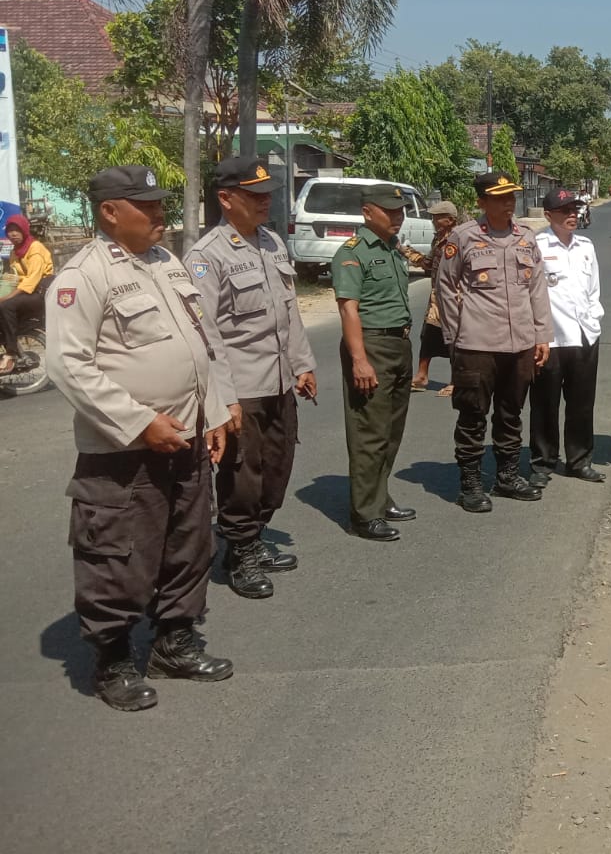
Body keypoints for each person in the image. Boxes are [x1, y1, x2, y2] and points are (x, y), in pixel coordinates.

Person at [45, 165, 235, 711]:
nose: (160, 214)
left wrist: (215, 413)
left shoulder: (166, 263)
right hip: (126, 453)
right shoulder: (84, 276)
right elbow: (68, 365)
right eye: (146, 206)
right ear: (110, 211)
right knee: (118, 557)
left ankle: (174, 643)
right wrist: (139, 422)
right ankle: (112, 659)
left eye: (160, 204)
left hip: (188, 438)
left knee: (189, 546)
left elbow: (200, 345)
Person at [188, 155, 317, 599]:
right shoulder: (207, 257)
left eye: (268, 194)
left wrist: (302, 364)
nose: (266, 202)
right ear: (226, 199)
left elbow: (289, 313)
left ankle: (255, 537)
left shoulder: (272, 244)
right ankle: (239, 551)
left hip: (279, 380)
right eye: (255, 195)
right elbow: (206, 336)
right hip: (242, 386)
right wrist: (224, 399)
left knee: (277, 467)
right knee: (243, 474)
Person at [435, 171, 552, 513]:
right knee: (472, 415)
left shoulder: (526, 238)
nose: (509, 203)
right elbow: (445, 285)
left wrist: (542, 334)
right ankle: (470, 483)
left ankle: (507, 476)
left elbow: (537, 288)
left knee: (511, 413)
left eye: (511, 197)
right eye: (500, 198)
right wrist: (455, 336)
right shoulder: (464, 237)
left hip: (520, 346)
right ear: (481, 202)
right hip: (477, 345)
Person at [331, 183, 419, 542]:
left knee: (391, 433)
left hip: (399, 344)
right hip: (372, 346)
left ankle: (380, 498)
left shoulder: (393, 248)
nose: (398, 217)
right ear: (368, 212)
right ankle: (364, 514)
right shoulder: (352, 253)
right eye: (390, 211)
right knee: (369, 433)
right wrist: (359, 360)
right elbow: (348, 308)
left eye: (400, 212)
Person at [530, 187, 606, 483]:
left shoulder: (585, 246)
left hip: (584, 336)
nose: (572, 215)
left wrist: (594, 319)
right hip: (550, 339)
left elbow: (594, 289)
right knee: (544, 404)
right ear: (549, 216)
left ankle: (579, 460)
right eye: (565, 211)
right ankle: (542, 462)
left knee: (582, 403)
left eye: (574, 210)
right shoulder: (537, 245)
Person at [407, 200, 458, 393]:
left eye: (438, 217)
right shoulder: (438, 238)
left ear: (450, 220)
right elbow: (429, 263)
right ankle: (421, 376)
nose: (434, 220)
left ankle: (456, 381)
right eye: (433, 216)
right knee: (428, 335)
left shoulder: (458, 239)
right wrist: (408, 253)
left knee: (454, 339)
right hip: (436, 297)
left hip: (454, 297)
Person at [0, 214, 54, 374]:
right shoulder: (14, 253)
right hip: (27, 292)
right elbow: (15, 277)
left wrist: (7, 297)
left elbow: (32, 279)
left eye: (17, 230)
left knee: (7, 305)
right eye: (10, 231)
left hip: (41, 292)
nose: (13, 234)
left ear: (24, 230)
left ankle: (10, 353)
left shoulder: (35, 248)